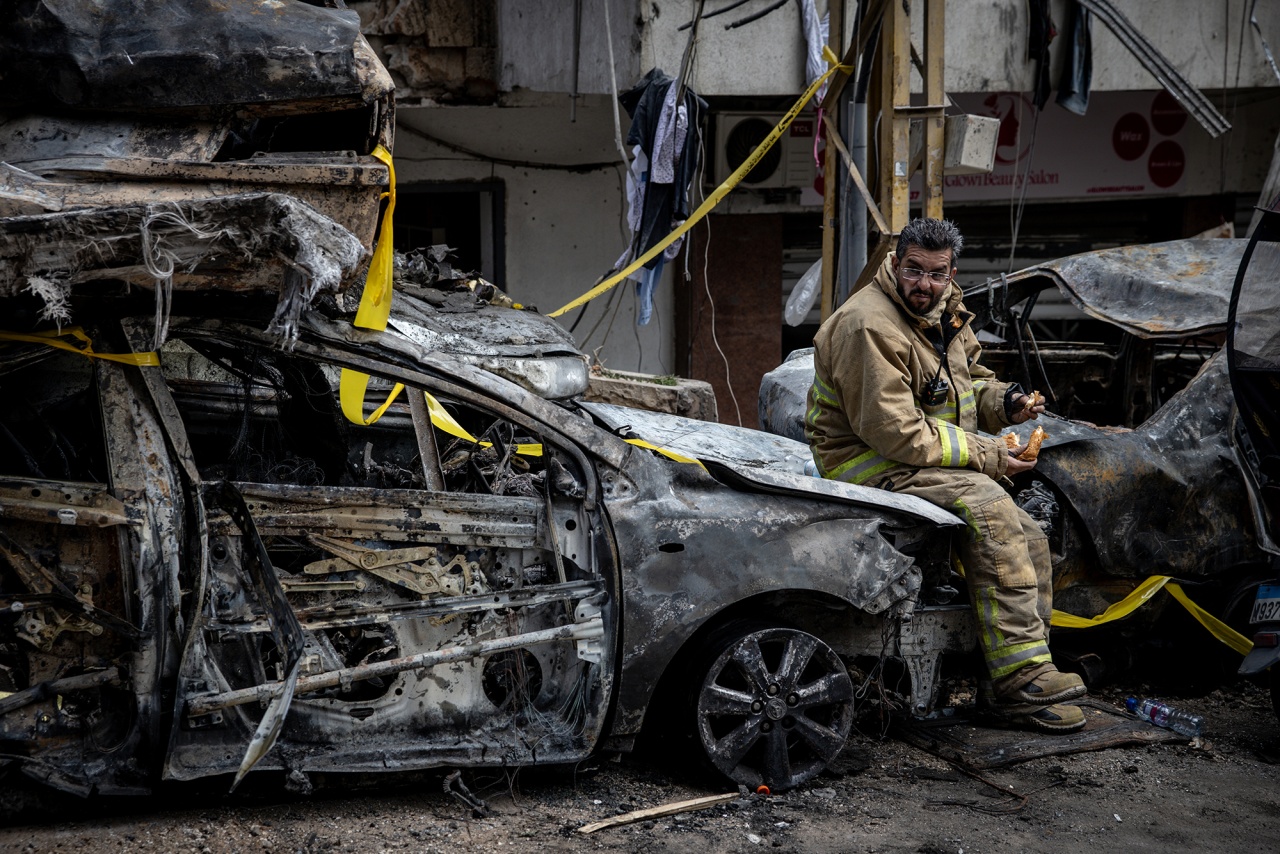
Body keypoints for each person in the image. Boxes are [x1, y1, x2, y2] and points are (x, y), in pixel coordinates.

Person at [805, 217, 1086, 733]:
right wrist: (994, 456)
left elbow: (962, 388)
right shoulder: (868, 324)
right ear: (895, 264)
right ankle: (1020, 675)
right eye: (913, 270)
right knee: (990, 506)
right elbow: (896, 432)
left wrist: (1006, 402)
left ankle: (1014, 682)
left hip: (916, 457)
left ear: (951, 272)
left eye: (936, 274)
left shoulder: (945, 311)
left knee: (1029, 536)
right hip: (865, 462)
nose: (924, 284)